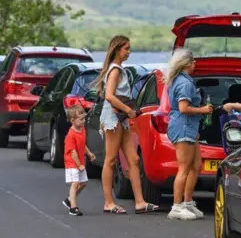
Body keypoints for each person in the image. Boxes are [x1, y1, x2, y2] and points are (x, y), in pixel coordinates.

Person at [93, 35, 159, 215]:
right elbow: (109, 96)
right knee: (111, 159)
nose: (129, 52)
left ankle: (140, 202)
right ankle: (108, 202)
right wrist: (128, 111)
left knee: (134, 159)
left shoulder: (120, 70)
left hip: (121, 117)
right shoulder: (115, 70)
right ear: (117, 50)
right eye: (126, 49)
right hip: (114, 117)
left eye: (129, 49)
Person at [163, 48, 213, 220]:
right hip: (183, 126)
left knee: (196, 165)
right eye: (193, 61)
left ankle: (188, 202)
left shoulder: (181, 80)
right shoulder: (184, 83)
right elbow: (184, 108)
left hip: (189, 127)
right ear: (187, 63)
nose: (195, 64)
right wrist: (203, 110)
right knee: (184, 168)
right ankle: (176, 207)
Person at [62, 104, 96, 216]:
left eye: (84, 118)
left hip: (80, 162)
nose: (83, 121)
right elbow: (73, 152)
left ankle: (69, 200)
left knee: (84, 183)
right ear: (72, 120)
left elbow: (82, 144)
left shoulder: (82, 130)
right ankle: (73, 207)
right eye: (81, 119)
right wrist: (79, 165)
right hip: (72, 163)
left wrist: (89, 153)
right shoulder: (70, 135)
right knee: (75, 183)